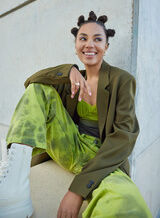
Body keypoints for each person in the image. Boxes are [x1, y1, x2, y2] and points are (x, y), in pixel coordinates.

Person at [0, 11, 152, 218]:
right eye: (83, 38)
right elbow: (31, 82)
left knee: (125, 202)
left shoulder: (122, 80)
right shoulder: (71, 80)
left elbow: (124, 137)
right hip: (71, 144)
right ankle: (13, 190)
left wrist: (77, 190)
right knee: (39, 89)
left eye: (97, 39)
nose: (89, 44)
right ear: (76, 46)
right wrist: (68, 70)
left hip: (102, 156)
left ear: (106, 47)